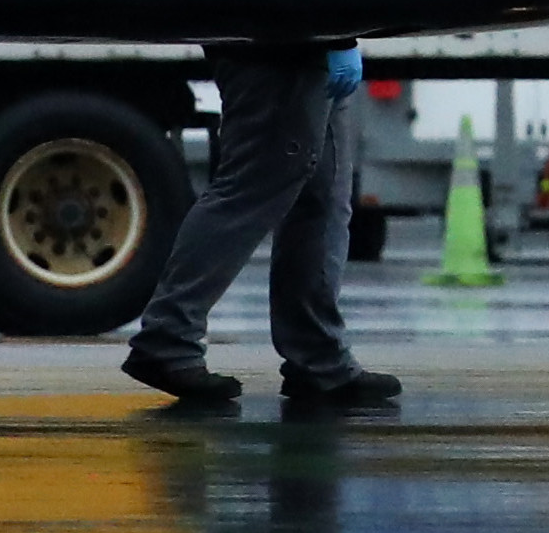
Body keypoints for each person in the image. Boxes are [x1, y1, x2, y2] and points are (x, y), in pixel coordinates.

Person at [123, 39, 396, 415]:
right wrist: (336, 36)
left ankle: (320, 359)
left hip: (298, 34)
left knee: (320, 195)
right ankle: (167, 340)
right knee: (254, 184)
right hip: (279, 36)